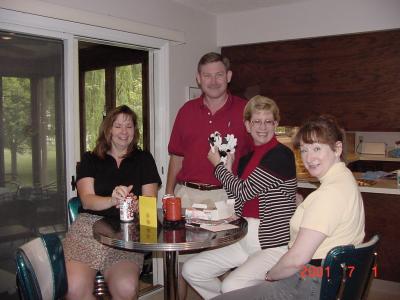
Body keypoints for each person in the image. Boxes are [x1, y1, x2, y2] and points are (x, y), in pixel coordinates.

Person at [212, 115, 365, 300]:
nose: (309, 158)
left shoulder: (327, 195)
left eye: (317, 148)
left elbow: (295, 260)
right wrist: (303, 206)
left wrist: (269, 275)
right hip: (333, 278)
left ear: (337, 148)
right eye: (304, 150)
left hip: (310, 282)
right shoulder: (345, 179)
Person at [181, 95, 298, 299]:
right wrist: (229, 171)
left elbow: (245, 191)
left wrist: (218, 166)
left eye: (268, 121)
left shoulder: (280, 155)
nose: (262, 127)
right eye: (256, 121)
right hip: (243, 238)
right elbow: (237, 198)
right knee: (192, 270)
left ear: (276, 124)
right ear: (247, 125)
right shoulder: (246, 158)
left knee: (231, 285)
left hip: (271, 244)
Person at [63, 105, 161, 300]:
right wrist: (112, 199)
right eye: (118, 126)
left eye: (129, 126)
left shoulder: (144, 159)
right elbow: (87, 201)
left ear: (135, 130)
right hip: (88, 231)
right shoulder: (90, 159)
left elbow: (149, 202)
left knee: (126, 289)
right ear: (108, 129)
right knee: (74, 290)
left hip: (127, 233)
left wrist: (136, 205)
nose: (124, 132)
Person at [166, 52, 252, 208]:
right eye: (207, 75)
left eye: (219, 75)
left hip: (226, 197)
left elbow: (257, 156)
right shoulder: (186, 111)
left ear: (229, 76)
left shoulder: (246, 110)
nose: (213, 81)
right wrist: (168, 194)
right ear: (198, 78)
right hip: (186, 196)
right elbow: (177, 157)